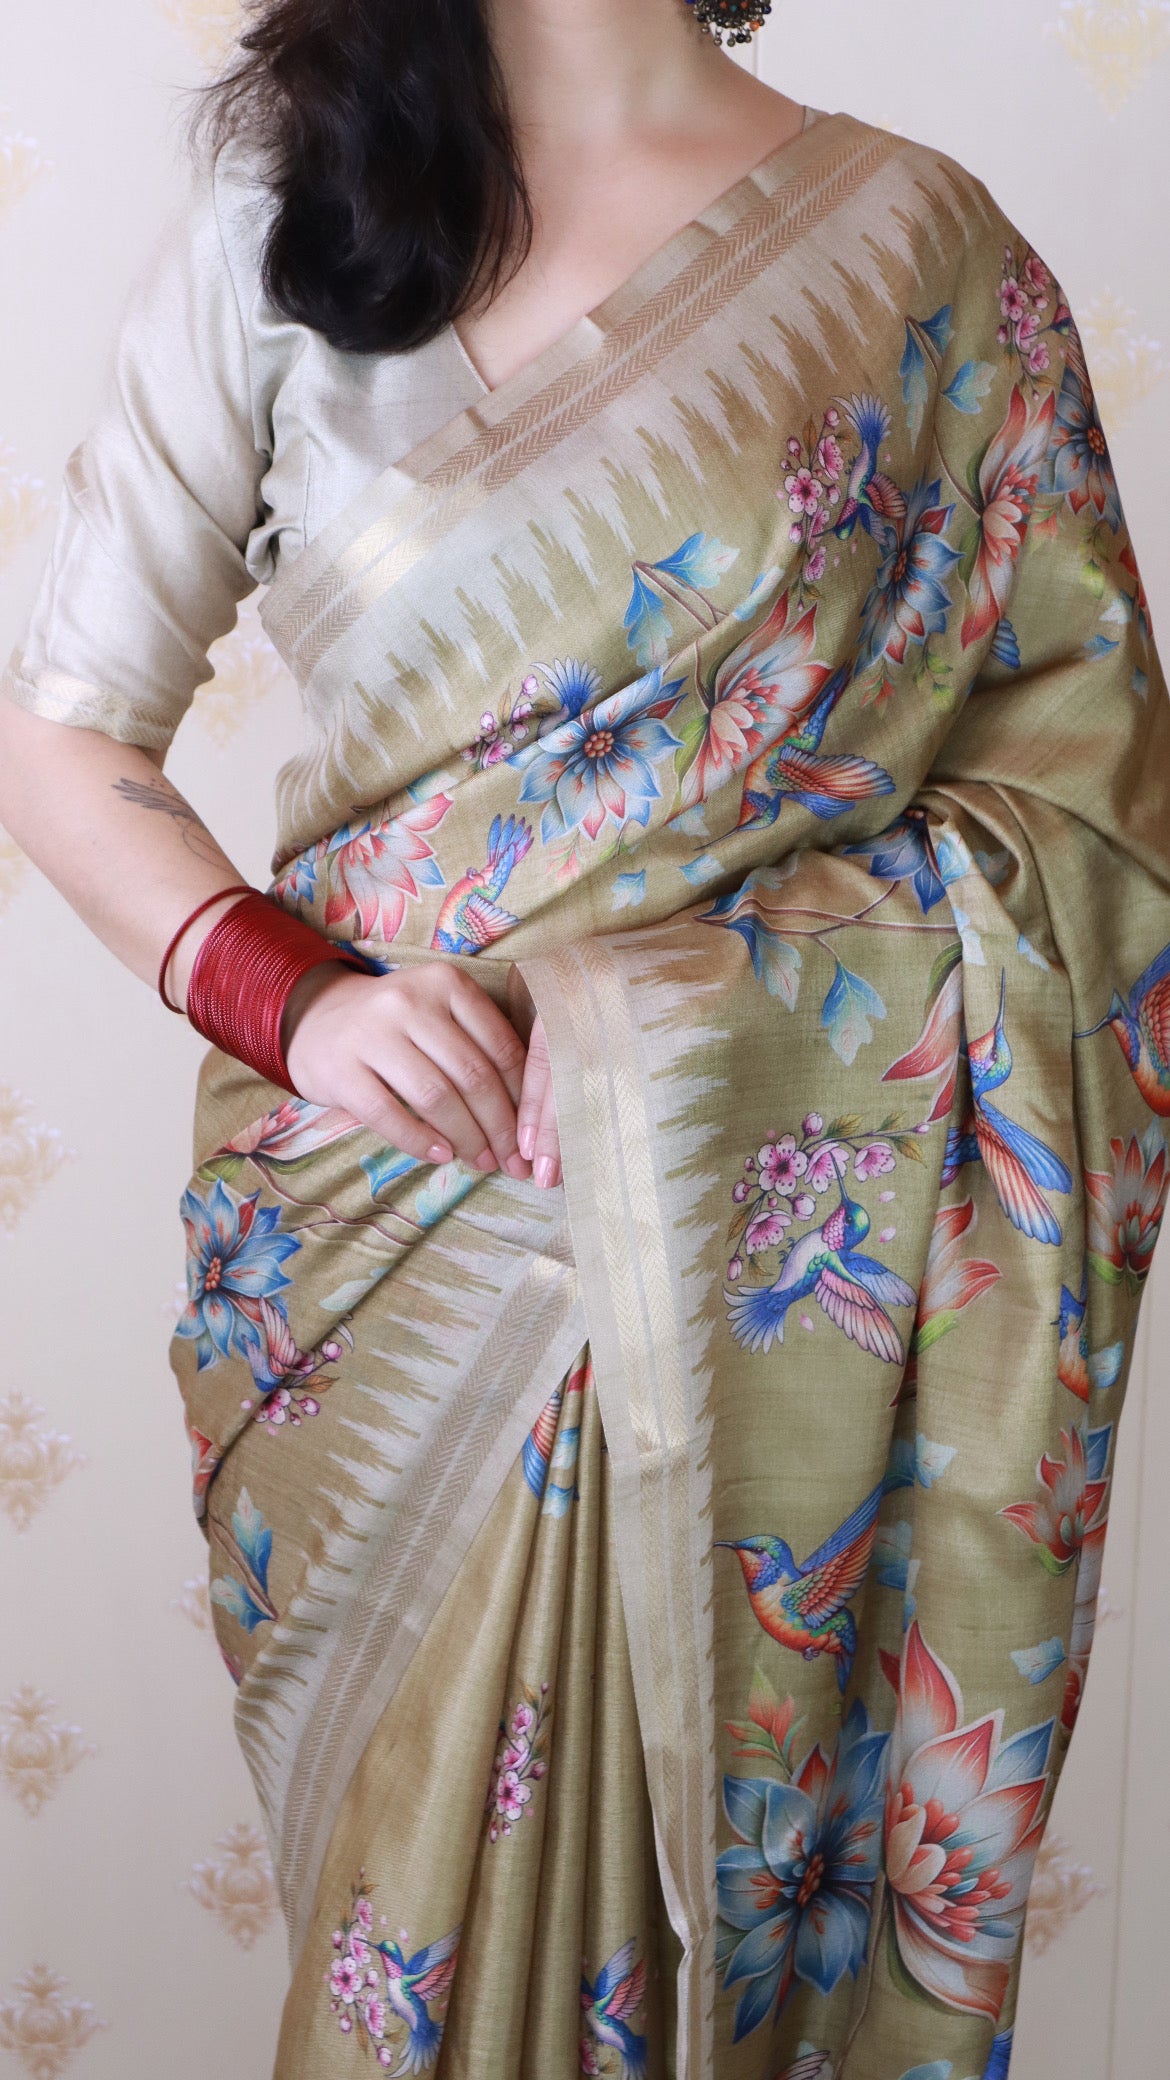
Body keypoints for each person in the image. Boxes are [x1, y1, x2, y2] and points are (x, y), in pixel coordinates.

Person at [1, 0, 1167, 2072]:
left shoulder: (922, 257)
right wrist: (303, 1005)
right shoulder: (294, 202)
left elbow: (1088, 835)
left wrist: (655, 1031)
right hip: (374, 1251)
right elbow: (65, 733)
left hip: (732, 1274)